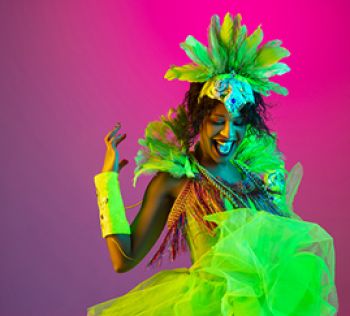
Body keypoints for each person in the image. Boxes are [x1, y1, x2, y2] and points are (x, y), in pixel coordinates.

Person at [87, 11, 338, 315]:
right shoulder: (177, 182)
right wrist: (107, 182)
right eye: (218, 120)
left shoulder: (259, 182)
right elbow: (122, 259)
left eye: (238, 122)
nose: (228, 133)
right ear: (199, 118)